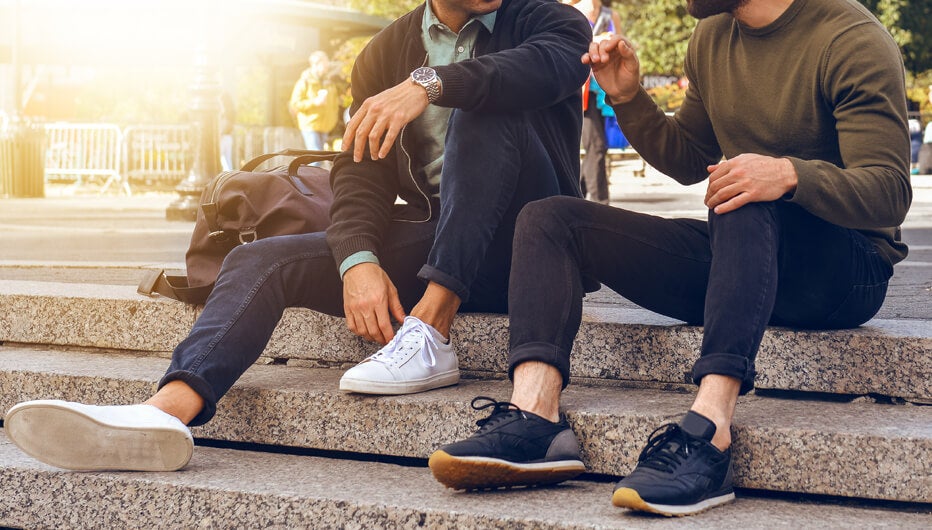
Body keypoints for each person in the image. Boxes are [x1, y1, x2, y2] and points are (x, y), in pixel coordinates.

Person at [4, 0, 591, 472]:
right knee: (261, 259)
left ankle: (432, 329)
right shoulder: (385, 51)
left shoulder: (550, 20)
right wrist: (357, 261)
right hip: (442, 239)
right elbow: (360, 171)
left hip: (534, 250)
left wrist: (432, 83)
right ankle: (164, 413)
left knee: (484, 103)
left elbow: (540, 70)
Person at [430, 0, 911, 517]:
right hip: (743, 256)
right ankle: (536, 417)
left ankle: (710, 433)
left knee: (742, 194)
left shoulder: (850, 37)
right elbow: (688, 160)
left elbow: (888, 190)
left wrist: (787, 175)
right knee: (549, 220)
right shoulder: (710, 36)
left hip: (846, 268)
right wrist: (630, 98)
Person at [567, 0, 624, 204]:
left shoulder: (611, 15)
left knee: (600, 146)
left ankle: (575, 191)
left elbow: (622, 45)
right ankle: (601, 202)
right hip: (582, 90)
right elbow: (565, 45)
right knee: (596, 145)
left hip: (604, 90)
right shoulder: (572, 10)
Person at [289, 51, 341, 151]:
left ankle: (305, 167)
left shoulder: (329, 82)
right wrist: (314, 102)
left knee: (319, 157)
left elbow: (335, 104)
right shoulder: (304, 82)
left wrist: (333, 119)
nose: (327, 66)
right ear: (315, 64)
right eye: (324, 63)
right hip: (310, 126)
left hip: (325, 126)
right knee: (315, 156)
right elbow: (295, 104)